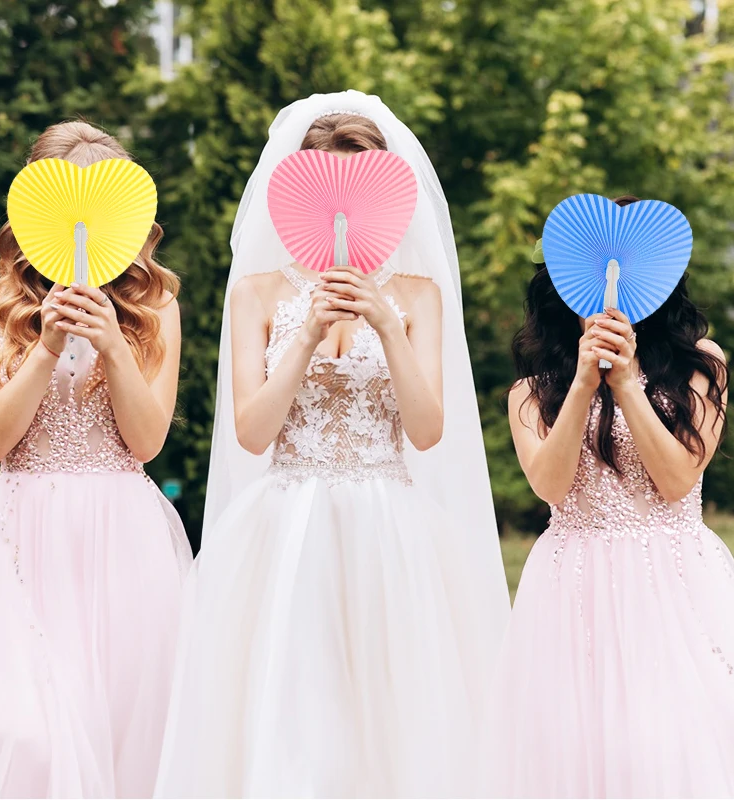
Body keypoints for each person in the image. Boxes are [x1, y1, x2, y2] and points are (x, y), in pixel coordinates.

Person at [155, 90, 510, 798]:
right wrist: (307, 337)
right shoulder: (255, 294)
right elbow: (253, 433)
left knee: (394, 721)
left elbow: (428, 429)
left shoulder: (417, 292)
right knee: (297, 722)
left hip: (392, 530)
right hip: (287, 531)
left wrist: (385, 324)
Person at [0, 121, 192, 798]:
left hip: (124, 542)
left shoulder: (155, 308)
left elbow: (146, 443)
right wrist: (47, 346)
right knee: (26, 738)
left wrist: (113, 344)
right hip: (21, 539)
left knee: (122, 730)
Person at [478, 195, 734, 798]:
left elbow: (678, 480)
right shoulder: (530, 390)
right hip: (572, 585)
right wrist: (581, 381)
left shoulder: (702, 366)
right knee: (576, 748)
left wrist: (625, 384)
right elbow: (549, 484)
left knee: (671, 741)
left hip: (672, 578)